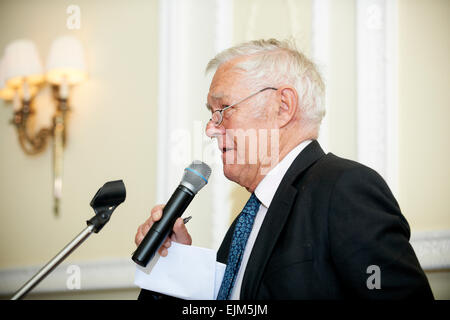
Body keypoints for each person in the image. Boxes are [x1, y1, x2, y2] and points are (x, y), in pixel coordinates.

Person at [135, 39, 433, 299]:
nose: (210, 129)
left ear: (283, 106)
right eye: (211, 115)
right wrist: (177, 260)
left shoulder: (344, 188)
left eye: (223, 110)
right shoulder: (246, 223)